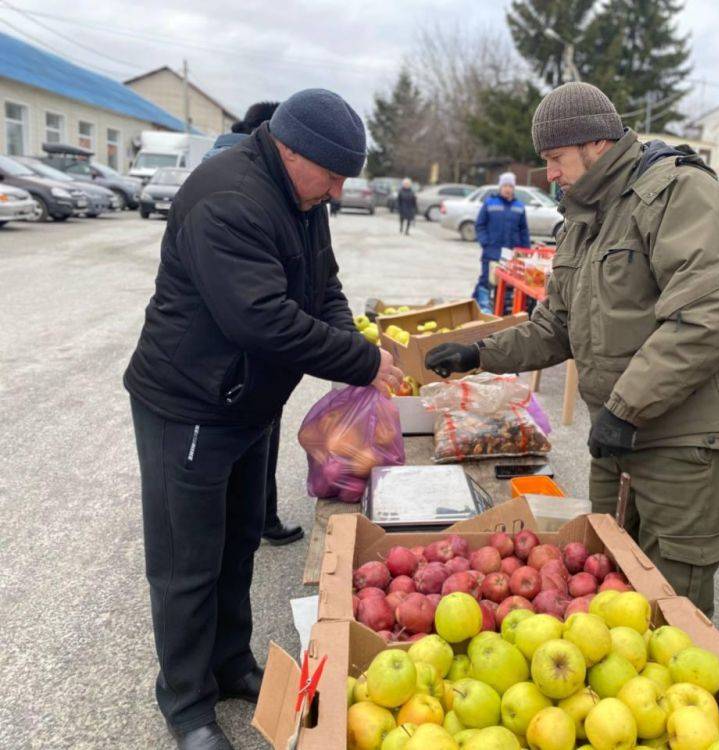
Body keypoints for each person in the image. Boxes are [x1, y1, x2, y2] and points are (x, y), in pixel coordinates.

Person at [124, 88, 403, 750]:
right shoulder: (230, 198)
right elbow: (260, 318)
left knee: (238, 539)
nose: (336, 192)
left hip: (245, 403)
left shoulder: (301, 198)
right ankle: (187, 703)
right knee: (187, 560)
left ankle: (228, 663)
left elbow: (324, 289)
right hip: (189, 403)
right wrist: (359, 362)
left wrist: (353, 349)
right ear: (290, 150)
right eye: (331, 175)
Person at [425, 82, 719, 618]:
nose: (550, 174)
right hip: (619, 433)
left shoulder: (678, 194)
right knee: (609, 578)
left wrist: (625, 407)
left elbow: (707, 319)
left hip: (683, 440)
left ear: (597, 144)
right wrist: (478, 355)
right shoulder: (585, 218)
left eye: (556, 158)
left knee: (669, 604)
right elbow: (555, 326)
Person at [202, 101, 304, 546]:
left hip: (246, 361)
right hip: (232, 364)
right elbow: (260, 312)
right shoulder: (239, 190)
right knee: (250, 443)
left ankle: (250, 519)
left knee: (252, 443)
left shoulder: (256, 175)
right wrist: (355, 361)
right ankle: (256, 518)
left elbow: (320, 278)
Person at [472, 171, 530, 312]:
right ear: (500, 187)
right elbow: (480, 225)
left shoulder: (519, 206)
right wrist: (485, 242)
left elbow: (524, 230)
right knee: (486, 280)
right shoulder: (490, 203)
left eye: (510, 186)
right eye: (505, 185)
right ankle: (480, 307)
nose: (507, 189)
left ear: (513, 188)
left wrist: (525, 251)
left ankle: (499, 309)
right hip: (491, 252)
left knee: (505, 283)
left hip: (511, 254)